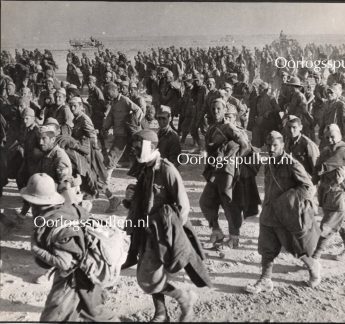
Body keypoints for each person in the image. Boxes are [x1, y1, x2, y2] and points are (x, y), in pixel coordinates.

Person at [121, 129, 212, 322]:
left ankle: (183, 297)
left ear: (150, 147)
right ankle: (161, 313)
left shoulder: (167, 170)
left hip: (163, 234)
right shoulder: (144, 168)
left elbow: (183, 206)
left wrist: (172, 235)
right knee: (150, 272)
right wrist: (130, 198)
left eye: (138, 147)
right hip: (145, 229)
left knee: (148, 276)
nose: (134, 151)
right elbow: (142, 198)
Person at [22, 173, 112, 321]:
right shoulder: (65, 207)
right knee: (92, 311)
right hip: (87, 269)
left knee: (52, 318)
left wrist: (37, 250)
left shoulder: (54, 224)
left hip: (74, 277)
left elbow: (65, 263)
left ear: (35, 202)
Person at [245, 130, 320, 293]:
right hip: (269, 212)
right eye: (269, 145)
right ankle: (265, 279)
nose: (271, 149)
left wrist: (288, 200)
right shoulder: (269, 162)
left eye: (275, 145)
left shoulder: (292, 163)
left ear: (282, 145)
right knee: (266, 247)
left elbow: (308, 187)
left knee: (295, 246)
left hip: (285, 214)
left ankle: (313, 266)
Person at [199, 98, 252, 249]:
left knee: (229, 203)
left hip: (228, 172)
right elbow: (209, 148)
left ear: (224, 110)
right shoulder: (212, 128)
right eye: (214, 109)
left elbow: (245, 145)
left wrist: (234, 161)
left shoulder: (229, 127)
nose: (216, 111)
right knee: (206, 201)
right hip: (215, 171)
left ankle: (234, 237)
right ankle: (216, 231)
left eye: (219, 109)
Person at [312, 124, 345, 264]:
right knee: (339, 223)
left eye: (333, 136)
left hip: (339, 194)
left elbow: (335, 171)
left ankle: (315, 256)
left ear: (340, 135)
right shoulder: (325, 150)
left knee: (326, 226)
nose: (330, 139)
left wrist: (322, 170)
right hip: (325, 193)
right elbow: (317, 171)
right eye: (327, 137)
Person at [102, 82, 142, 180]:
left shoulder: (124, 100)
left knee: (114, 154)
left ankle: (106, 177)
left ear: (115, 90)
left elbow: (138, 110)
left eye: (109, 92)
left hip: (125, 133)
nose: (108, 95)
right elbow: (111, 117)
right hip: (119, 132)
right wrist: (105, 128)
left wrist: (134, 124)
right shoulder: (114, 102)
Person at [248, 81, 281, 148]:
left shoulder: (271, 98)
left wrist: (269, 112)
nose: (259, 91)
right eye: (258, 89)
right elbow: (252, 113)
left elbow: (277, 109)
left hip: (270, 122)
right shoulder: (256, 99)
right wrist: (251, 124)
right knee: (255, 134)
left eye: (261, 89)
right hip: (260, 122)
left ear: (266, 90)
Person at [319, 83, 345, 148]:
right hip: (326, 131)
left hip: (335, 133)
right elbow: (323, 119)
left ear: (336, 94)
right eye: (328, 93)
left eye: (331, 93)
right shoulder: (326, 104)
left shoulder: (340, 105)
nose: (329, 94)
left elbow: (343, 122)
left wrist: (343, 135)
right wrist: (321, 130)